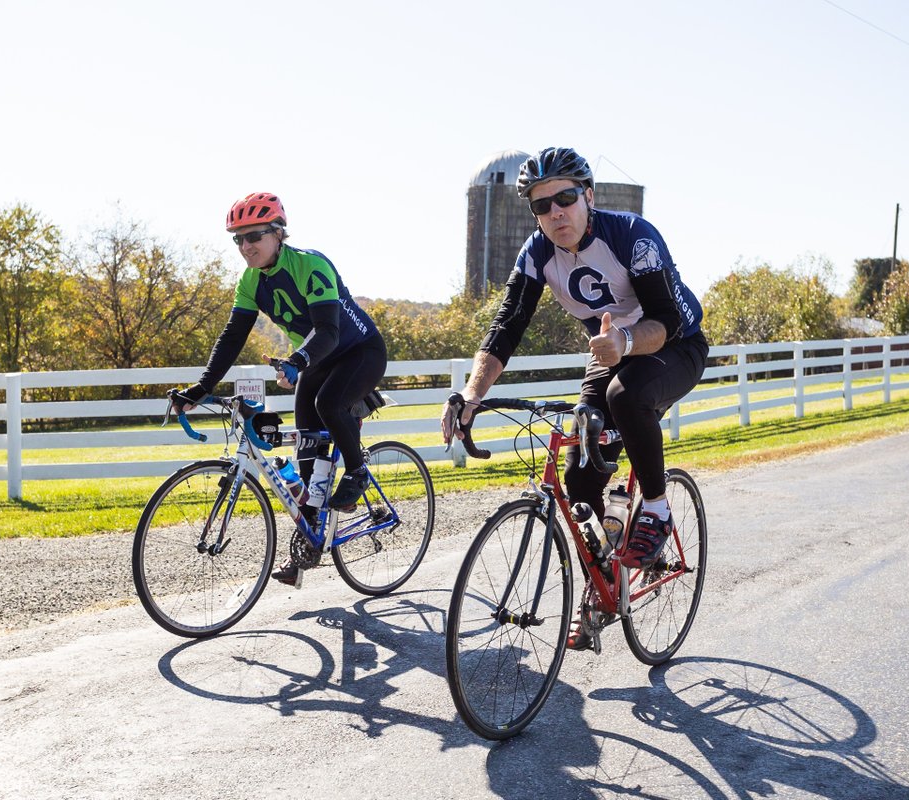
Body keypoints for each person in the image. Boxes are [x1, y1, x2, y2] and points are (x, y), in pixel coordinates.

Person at [440, 147, 708, 648]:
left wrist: (624, 343)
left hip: (672, 344)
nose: (555, 212)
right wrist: (471, 395)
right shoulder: (537, 254)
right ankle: (599, 586)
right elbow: (505, 330)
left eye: (565, 198)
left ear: (588, 196)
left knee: (627, 397)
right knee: (581, 471)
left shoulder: (632, 236)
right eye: (542, 206)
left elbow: (667, 321)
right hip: (609, 351)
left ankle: (655, 507)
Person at [172, 191, 388, 585]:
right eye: (237, 238)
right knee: (306, 447)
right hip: (316, 359)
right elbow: (232, 336)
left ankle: (356, 472)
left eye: (253, 236)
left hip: (360, 352)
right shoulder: (250, 281)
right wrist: (202, 387)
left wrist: (297, 362)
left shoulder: (310, 264)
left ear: (277, 233)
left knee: (328, 404)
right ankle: (309, 543)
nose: (245, 246)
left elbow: (328, 331)